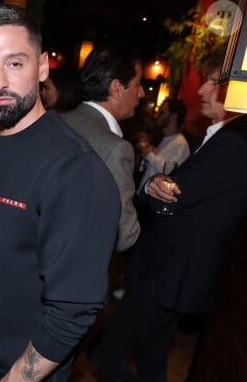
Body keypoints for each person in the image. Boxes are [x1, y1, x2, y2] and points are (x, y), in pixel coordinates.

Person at [0, 4, 121, 381]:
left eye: (15, 63)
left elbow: (72, 312)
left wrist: (17, 377)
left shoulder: (75, 170)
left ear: (41, 68)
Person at [87, 45, 247, 382]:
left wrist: (152, 187)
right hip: (173, 280)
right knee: (152, 364)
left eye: (213, 82)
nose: (203, 89)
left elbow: (167, 200)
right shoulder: (224, 138)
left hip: (168, 280)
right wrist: (158, 184)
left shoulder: (234, 143)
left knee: (103, 353)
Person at [61, 44, 144, 254]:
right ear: (116, 89)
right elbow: (125, 235)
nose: (142, 93)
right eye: (138, 84)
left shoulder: (53, 121)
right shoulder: (115, 149)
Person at [136, 98, 190, 193]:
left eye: (161, 113)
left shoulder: (180, 143)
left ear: (173, 116)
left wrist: (149, 154)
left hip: (154, 200)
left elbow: (170, 171)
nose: (156, 115)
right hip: (145, 195)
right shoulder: (165, 138)